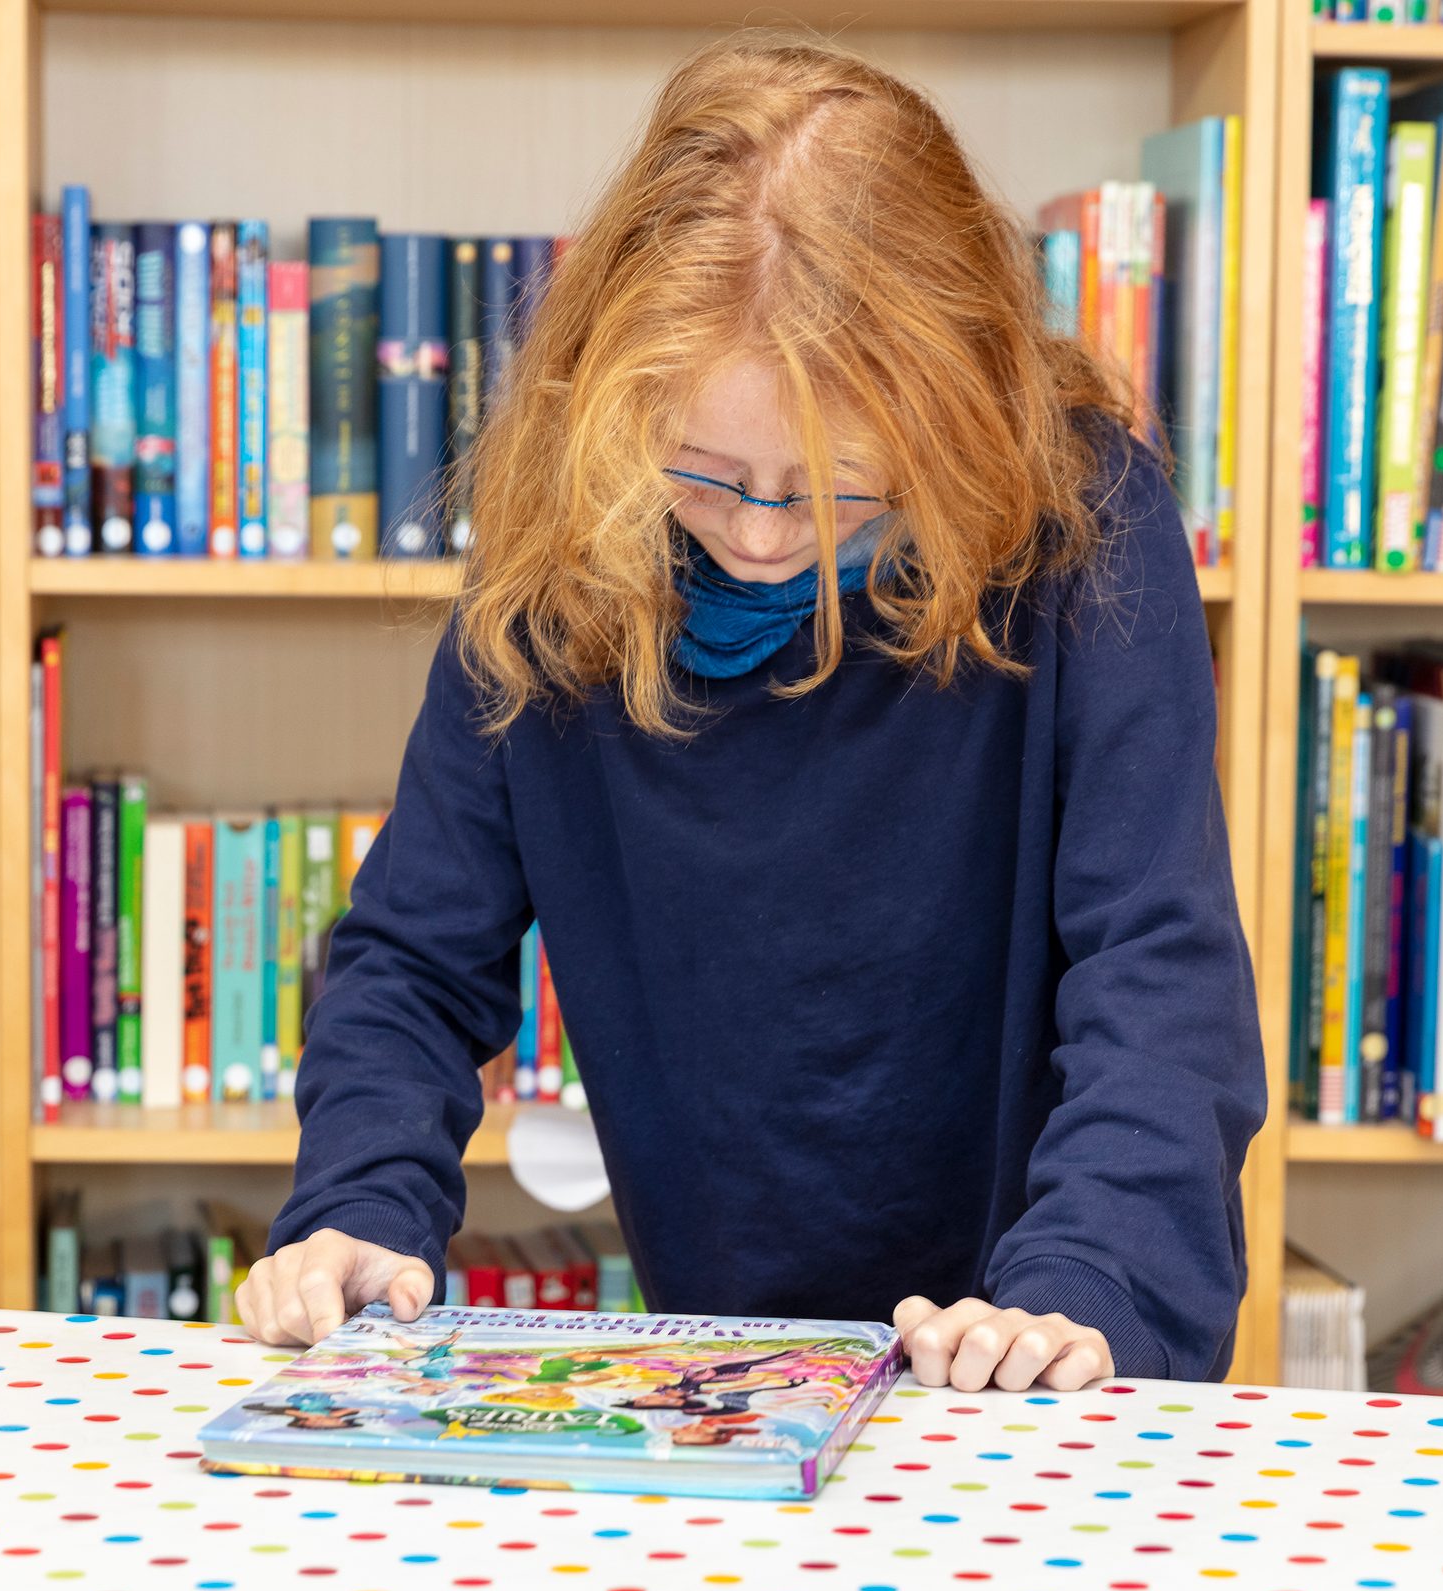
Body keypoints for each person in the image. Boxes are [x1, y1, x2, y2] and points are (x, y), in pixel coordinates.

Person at [235, 35, 1263, 1393]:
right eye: (708, 475)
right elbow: (415, 962)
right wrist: (358, 1204)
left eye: (835, 490)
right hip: (731, 1369)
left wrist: (1090, 1286)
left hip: (1047, 1336)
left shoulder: (1083, 526)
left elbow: (1160, 971)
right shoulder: (564, 553)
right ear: (621, 404)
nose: (765, 537)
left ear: (950, 414)